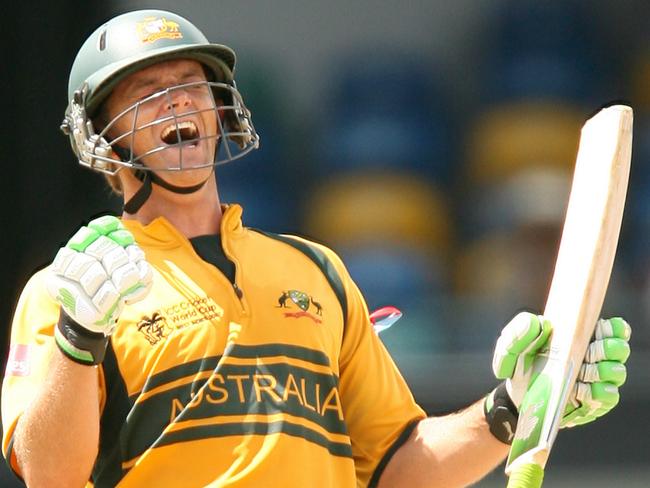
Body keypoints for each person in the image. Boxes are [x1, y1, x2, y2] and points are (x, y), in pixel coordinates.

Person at [1, 9, 631, 488]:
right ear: (101, 137)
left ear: (220, 110)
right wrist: (79, 337)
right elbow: (47, 475)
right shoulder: (67, 290)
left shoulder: (316, 269)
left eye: (192, 83)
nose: (179, 99)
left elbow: (398, 465)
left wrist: (511, 407)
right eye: (148, 91)